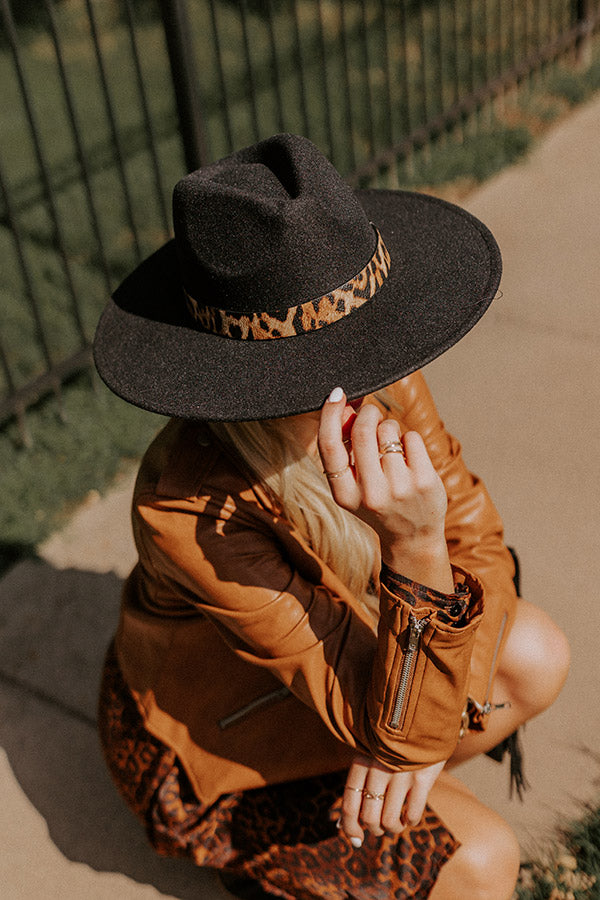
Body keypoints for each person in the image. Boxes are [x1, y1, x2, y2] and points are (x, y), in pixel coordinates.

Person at [93, 133, 570, 900]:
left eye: (363, 346)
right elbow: (435, 571)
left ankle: (370, 814)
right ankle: (278, 864)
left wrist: (407, 743)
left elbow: (480, 542)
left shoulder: (375, 376)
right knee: (481, 861)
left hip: (350, 682)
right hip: (221, 753)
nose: (360, 378)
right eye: (315, 369)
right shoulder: (185, 506)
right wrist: (414, 548)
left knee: (537, 655)